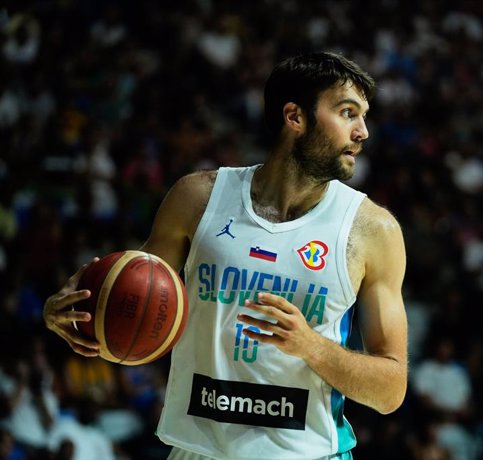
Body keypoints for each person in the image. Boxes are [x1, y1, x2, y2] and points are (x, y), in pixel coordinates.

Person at [42, 51, 409, 460]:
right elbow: (133, 307)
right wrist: (74, 315)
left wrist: (312, 346)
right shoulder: (197, 198)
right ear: (295, 117)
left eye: (363, 116)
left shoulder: (372, 231)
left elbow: (391, 389)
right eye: (347, 113)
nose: (363, 132)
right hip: (197, 450)